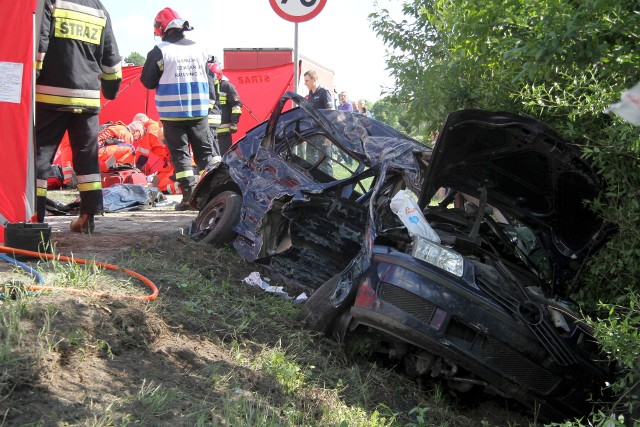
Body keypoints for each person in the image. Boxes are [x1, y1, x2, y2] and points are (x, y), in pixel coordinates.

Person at [35, 0, 122, 233]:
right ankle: (88, 218)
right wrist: (111, 91)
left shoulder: (51, 2)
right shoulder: (99, 8)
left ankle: (35, 219)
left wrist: (31, 79)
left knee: (40, 159)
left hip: (49, 95)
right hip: (88, 99)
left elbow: (39, 45)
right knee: (87, 159)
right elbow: (111, 59)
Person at [141, 7, 217, 211]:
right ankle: (210, 196)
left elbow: (147, 81)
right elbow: (209, 77)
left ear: (162, 28)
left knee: (181, 156)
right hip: (199, 111)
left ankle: (189, 197)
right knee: (204, 155)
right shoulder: (201, 48)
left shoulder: (160, 51)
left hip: (173, 114)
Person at [207, 61, 243, 154]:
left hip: (224, 132)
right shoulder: (205, 86)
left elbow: (237, 105)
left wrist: (234, 123)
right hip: (209, 129)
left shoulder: (227, 86)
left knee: (224, 157)